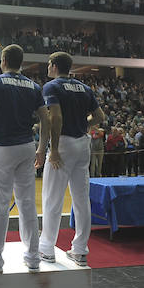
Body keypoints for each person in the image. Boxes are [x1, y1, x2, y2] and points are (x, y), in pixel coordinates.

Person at [0, 44, 48, 274]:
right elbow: (46, 120)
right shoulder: (34, 86)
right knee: (27, 203)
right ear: (21, 62)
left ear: (3, 60)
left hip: (3, 147)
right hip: (27, 146)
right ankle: (33, 256)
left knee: (0, 203)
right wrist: (42, 149)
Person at [38, 52, 105, 267]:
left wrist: (54, 149)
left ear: (55, 66)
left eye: (49, 64)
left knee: (52, 198)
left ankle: (47, 248)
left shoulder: (52, 87)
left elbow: (55, 117)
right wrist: (84, 124)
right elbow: (99, 117)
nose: (47, 67)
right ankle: (80, 250)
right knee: (81, 198)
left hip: (64, 144)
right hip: (82, 143)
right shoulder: (84, 88)